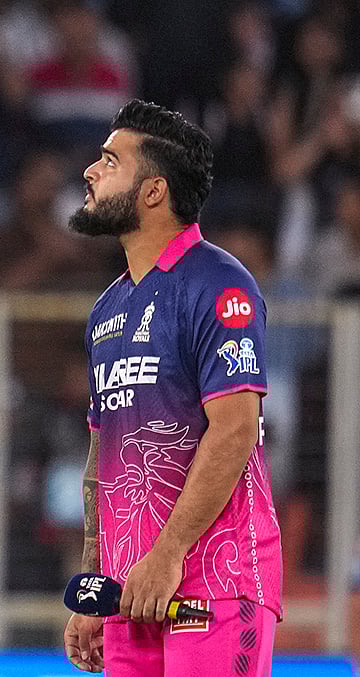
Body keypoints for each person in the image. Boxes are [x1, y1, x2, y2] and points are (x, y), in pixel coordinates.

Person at [62, 99, 282, 676]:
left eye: (110, 161)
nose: (91, 170)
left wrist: (167, 554)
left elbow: (235, 430)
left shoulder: (219, 282)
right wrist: (96, 585)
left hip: (213, 581)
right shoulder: (107, 308)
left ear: (154, 191)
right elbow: (100, 457)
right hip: (132, 593)